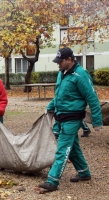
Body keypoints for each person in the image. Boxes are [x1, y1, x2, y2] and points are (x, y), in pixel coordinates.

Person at [39, 47, 103, 192]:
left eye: (60, 61)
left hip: (73, 118)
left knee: (62, 148)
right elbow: (58, 96)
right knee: (72, 147)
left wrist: (97, 121)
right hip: (61, 116)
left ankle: (52, 181)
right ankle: (84, 172)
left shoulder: (81, 75)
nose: (58, 64)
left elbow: (92, 98)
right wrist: (49, 107)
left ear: (69, 59)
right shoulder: (62, 73)